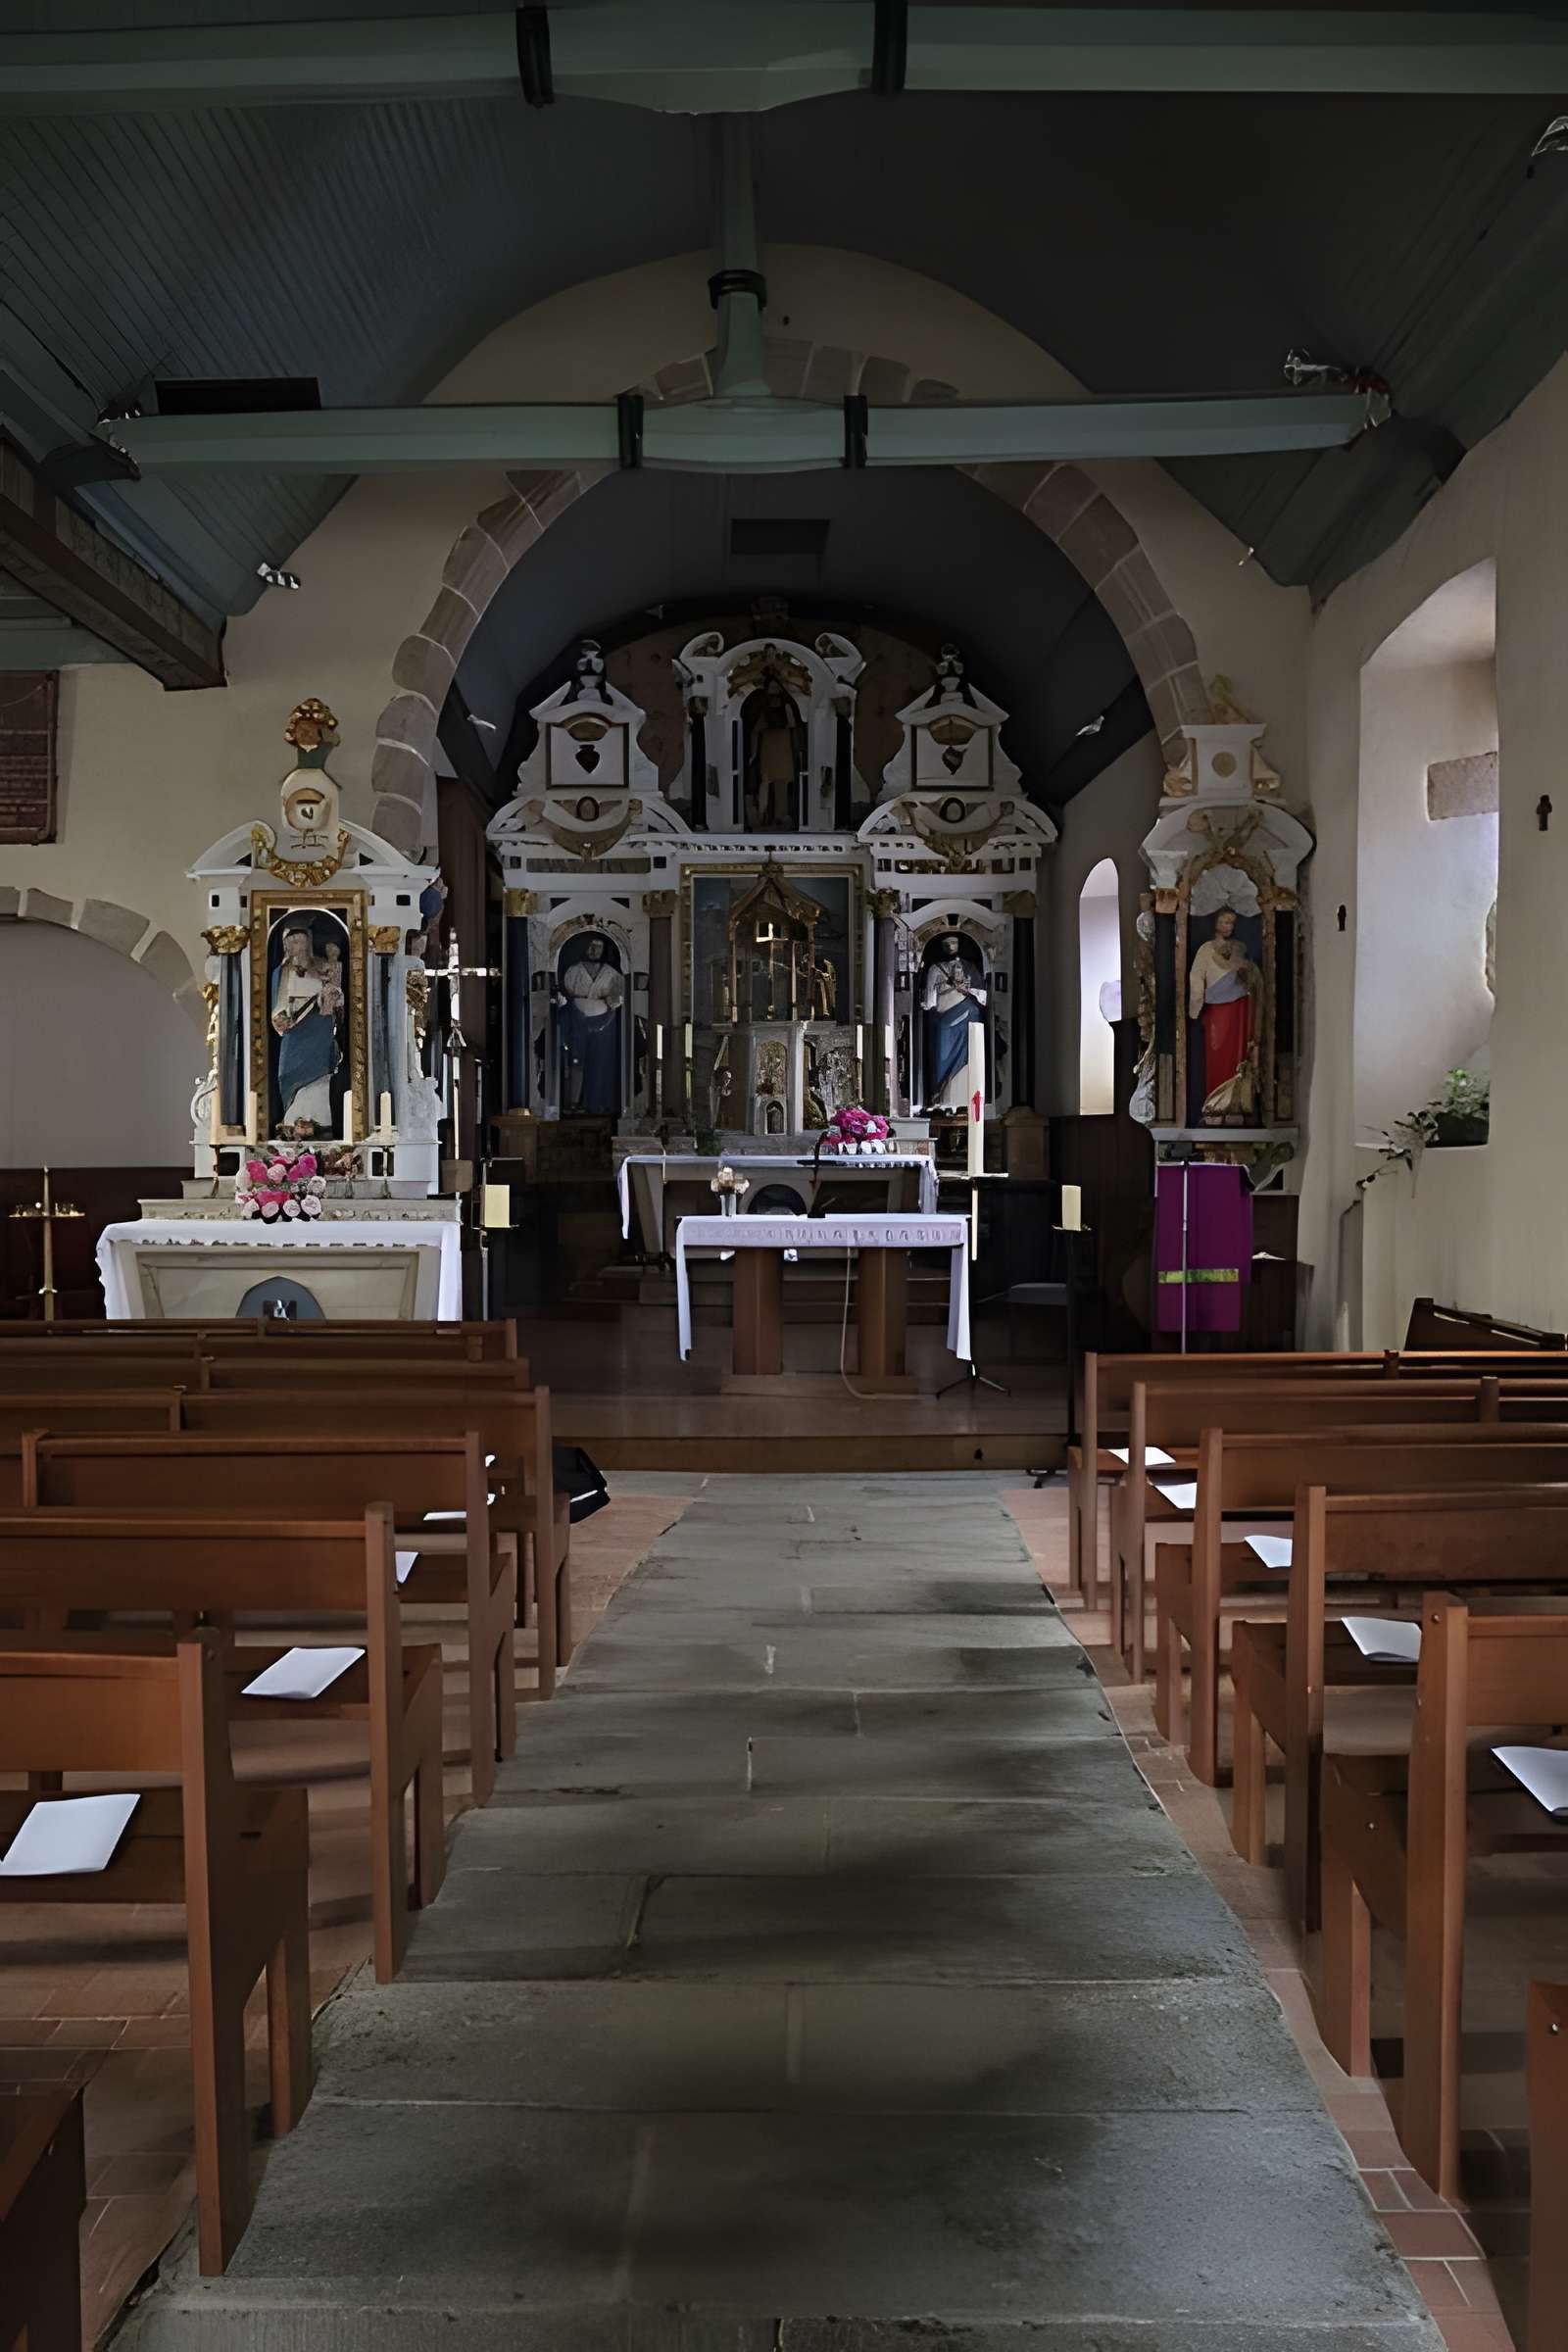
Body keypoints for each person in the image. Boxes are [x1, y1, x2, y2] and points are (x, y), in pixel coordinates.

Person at [270, 919, 343, 1137]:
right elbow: (278, 1003)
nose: (297, 946)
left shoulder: (322, 966)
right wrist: (281, 1018)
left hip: (318, 1028)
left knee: (319, 1078)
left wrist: (331, 997)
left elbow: (337, 997)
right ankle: (292, 1118)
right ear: (285, 945)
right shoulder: (282, 972)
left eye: (300, 941)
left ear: (308, 942)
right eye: (292, 942)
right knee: (286, 1075)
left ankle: (317, 1121)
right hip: (293, 1032)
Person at [1188, 906, 1260, 1118]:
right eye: (1224, 922)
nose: (1228, 927)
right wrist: (1195, 1009)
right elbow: (1196, 978)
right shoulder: (1205, 950)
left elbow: (1249, 978)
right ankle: (1216, 1104)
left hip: (1240, 1008)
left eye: (1231, 923)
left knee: (1238, 1056)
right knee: (1217, 1056)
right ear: (1215, 923)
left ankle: (1237, 1103)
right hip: (1216, 1011)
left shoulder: (1239, 948)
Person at [559, 935, 624, 1114]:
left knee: (599, 1063)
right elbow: (567, 994)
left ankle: (596, 1103)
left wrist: (606, 1017)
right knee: (576, 1062)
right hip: (576, 1021)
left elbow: (617, 999)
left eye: (598, 946)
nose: (594, 950)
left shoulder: (612, 974)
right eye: (591, 946)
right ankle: (573, 1102)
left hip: (604, 1024)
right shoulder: (573, 970)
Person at [921, 933, 986, 1111]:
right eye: (947, 943)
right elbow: (930, 1000)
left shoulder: (969, 967)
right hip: (943, 1019)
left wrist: (967, 989)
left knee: (967, 1056)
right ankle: (940, 1096)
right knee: (941, 1055)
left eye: (954, 942)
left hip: (967, 1015)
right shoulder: (935, 969)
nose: (951, 946)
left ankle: (962, 1098)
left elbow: (983, 995)